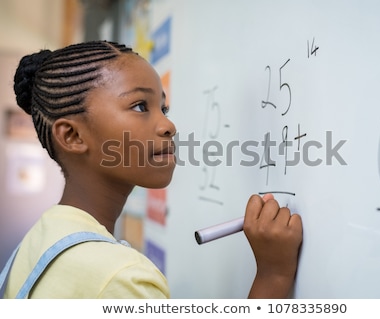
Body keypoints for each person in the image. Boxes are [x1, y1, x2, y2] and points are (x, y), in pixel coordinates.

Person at [2, 41, 303, 298]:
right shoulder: (120, 279)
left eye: (164, 108)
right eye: (140, 107)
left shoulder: (41, 238)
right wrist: (273, 276)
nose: (168, 125)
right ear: (73, 136)